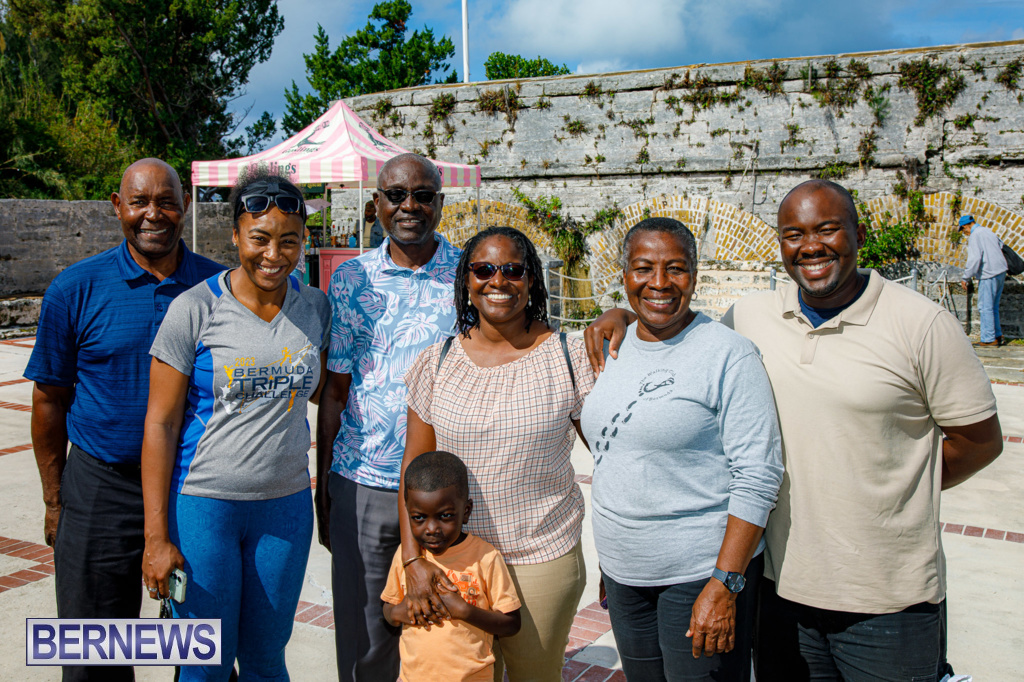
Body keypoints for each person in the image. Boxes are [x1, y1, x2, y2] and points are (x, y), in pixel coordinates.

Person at [586, 180, 1003, 681]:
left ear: (858, 234)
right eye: (793, 234)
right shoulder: (755, 316)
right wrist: (623, 317)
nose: (810, 246)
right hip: (782, 586)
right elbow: (682, 336)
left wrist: (891, 492)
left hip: (886, 595)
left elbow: (981, 442)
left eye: (828, 230)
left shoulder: (922, 324)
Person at [24, 158, 225, 682]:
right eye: (139, 202)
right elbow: (49, 402)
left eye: (166, 201)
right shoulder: (75, 289)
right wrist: (54, 500)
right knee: (95, 653)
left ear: (185, 208)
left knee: (204, 646)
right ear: (118, 207)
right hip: (101, 488)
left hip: (194, 486)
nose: (152, 214)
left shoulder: (220, 288)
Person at [140, 169, 331, 680]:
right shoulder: (195, 309)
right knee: (206, 663)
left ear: (303, 242)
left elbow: (321, 390)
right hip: (205, 509)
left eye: (289, 241)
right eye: (260, 239)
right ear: (235, 236)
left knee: (267, 660)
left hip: (285, 512)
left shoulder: (315, 308)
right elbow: (158, 425)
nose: (274, 255)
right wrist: (156, 538)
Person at [579, 218, 782, 681]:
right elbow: (615, 451)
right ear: (624, 273)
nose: (659, 283)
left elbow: (758, 473)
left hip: (699, 573)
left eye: (676, 268)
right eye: (643, 267)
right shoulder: (609, 344)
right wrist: (612, 562)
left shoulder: (729, 354)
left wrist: (725, 582)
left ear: (695, 273)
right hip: (626, 573)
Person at [401, 226, 596, 681]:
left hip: (540, 559)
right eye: (484, 269)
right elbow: (412, 471)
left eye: (513, 270)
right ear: (466, 280)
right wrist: (413, 561)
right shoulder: (437, 362)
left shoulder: (568, 356)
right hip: (453, 562)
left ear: (532, 280)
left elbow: (612, 457)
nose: (498, 281)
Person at [316, 152, 460, 681]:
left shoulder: (471, 274)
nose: (409, 206)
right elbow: (335, 391)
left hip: (446, 490)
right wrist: (324, 484)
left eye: (423, 195)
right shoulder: (352, 279)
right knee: (367, 641)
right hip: (364, 482)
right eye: (396, 195)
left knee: (447, 638)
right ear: (377, 203)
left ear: (439, 204)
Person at [382, 450, 522, 681]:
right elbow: (387, 609)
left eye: (445, 516)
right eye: (418, 518)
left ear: (465, 511)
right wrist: (400, 611)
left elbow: (511, 623)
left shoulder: (485, 557)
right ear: (407, 512)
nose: (431, 529)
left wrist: (464, 610)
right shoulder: (408, 557)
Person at [959, 214, 1007, 346]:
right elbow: (1001, 246)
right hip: (1001, 271)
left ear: (965, 226)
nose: (965, 233)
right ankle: (998, 335)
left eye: (963, 230)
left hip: (989, 273)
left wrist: (966, 277)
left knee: (985, 306)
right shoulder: (988, 231)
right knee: (993, 306)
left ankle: (989, 338)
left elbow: (974, 259)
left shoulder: (975, 236)